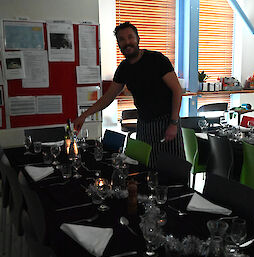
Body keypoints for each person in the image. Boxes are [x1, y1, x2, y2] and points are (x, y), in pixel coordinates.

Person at [74, 21, 185, 168]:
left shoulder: (157, 59)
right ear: (119, 44)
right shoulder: (124, 68)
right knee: (146, 168)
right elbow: (107, 98)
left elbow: (177, 90)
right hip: (145, 124)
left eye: (130, 37)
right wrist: (84, 115)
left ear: (137, 39)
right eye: (122, 39)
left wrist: (173, 123)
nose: (127, 42)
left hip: (166, 122)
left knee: (173, 170)